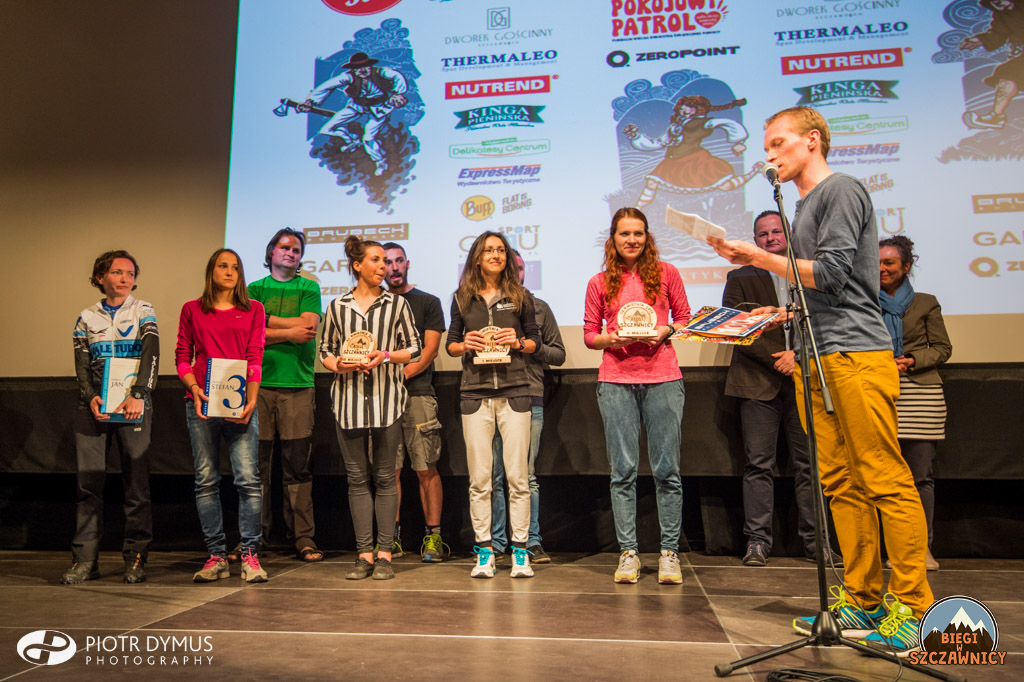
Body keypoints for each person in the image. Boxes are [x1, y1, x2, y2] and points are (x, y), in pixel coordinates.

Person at [709, 106, 933, 656]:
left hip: (856, 354)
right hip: (816, 357)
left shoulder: (841, 190)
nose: (770, 155)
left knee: (882, 477)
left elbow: (832, 275)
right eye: (766, 146)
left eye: (778, 143)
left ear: (812, 140)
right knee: (838, 482)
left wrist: (758, 256)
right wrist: (781, 314)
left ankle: (914, 608)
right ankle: (862, 596)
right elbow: (827, 289)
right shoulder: (805, 206)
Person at [723, 211, 839, 568]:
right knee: (758, 465)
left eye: (776, 231)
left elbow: (826, 321)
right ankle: (757, 541)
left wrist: (798, 356)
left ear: (789, 234)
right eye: (763, 234)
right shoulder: (740, 276)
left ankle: (817, 543)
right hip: (758, 382)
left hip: (806, 379)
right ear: (755, 240)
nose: (770, 238)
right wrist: (779, 359)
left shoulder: (808, 272)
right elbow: (736, 327)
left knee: (810, 465)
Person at [583, 207, 692, 585]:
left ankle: (669, 553)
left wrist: (665, 330)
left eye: (638, 233)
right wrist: (609, 340)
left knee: (667, 472)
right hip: (616, 381)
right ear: (613, 239)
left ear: (647, 237)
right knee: (623, 473)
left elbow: (685, 318)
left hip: (663, 379)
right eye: (624, 234)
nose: (632, 240)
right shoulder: (599, 281)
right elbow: (589, 335)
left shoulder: (667, 273)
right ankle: (628, 552)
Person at [320, 236, 421, 581]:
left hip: (386, 401)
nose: (384, 266)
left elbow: (415, 348)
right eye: (376, 260)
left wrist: (387, 356)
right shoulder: (337, 306)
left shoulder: (397, 304)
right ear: (357, 265)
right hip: (347, 401)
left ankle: (385, 554)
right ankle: (363, 554)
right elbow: (325, 350)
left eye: (386, 261)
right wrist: (339, 365)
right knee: (357, 479)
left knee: (386, 477)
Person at [446, 232, 542, 579]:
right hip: (475, 395)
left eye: (500, 250)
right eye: (489, 250)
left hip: (515, 393)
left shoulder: (521, 296)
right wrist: (465, 345)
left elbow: (534, 341)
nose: (496, 255)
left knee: (518, 478)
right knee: (480, 480)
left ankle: (520, 552)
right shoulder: (461, 298)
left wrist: (518, 342)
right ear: (477, 257)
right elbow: (451, 345)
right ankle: (484, 552)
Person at [62, 251, 158, 585]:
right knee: (88, 486)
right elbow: (81, 364)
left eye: (130, 273)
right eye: (117, 272)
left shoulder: (143, 310)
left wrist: (139, 394)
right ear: (101, 277)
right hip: (94, 407)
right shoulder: (86, 317)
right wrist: (90, 396)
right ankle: (85, 560)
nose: (125, 278)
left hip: (133, 405)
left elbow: (151, 354)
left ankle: (136, 558)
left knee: (136, 486)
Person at [176, 248, 267, 584]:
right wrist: (194, 388)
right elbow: (182, 356)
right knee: (205, 480)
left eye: (235, 267)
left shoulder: (254, 309)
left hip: (240, 404)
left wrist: (251, 400)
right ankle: (216, 555)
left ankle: (250, 556)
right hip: (201, 403)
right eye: (223, 266)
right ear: (211, 271)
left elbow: (255, 356)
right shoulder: (192, 309)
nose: (229, 272)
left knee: (248, 480)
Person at [248, 228, 322, 562]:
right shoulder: (253, 290)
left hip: (298, 386)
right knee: (257, 468)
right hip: (257, 386)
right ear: (271, 252)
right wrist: (289, 331)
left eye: (296, 250)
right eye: (285, 247)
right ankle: (254, 538)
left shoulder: (309, 287)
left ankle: (303, 538)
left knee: (297, 467)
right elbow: (249, 335)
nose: (291, 253)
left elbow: (308, 329)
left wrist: (267, 322)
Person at [879, 235, 952, 572]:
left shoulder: (925, 302)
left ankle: (921, 549)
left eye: (889, 262)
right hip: (878, 391)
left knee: (919, 477)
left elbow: (942, 348)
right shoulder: (863, 302)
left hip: (920, 395)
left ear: (906, 266)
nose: (882, 269)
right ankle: (890, 550)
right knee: (882, 479)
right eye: (877, 263)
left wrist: (910, 360)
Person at [490, 249, 565, 564]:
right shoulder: (483, 307)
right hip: (489, 396)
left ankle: (530, 541)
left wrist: (526, 345)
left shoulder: (539, 308)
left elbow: (559, 355)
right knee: (493, 476)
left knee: (525, 475)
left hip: (529, 396)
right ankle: (496, 543)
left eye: (520, 268)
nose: (515, 273)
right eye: (511, 267)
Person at [383, 242, 448, 562]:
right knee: (389, 472)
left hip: (418, 394)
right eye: (387, 262)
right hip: (382, 399)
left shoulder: (428, 302)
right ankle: (391, 539)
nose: (393, 267)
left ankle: (433, 537)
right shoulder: (375, 305)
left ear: (407, 264)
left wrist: (400, 376)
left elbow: (430, 351)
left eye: (398, 261)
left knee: (426, 468)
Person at [622, 95, 752, 207]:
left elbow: (727, 123)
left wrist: (738, 142)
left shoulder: (702, 123)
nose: (683, 111)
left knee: (725, 186)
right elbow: (658, 143)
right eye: (682, 109)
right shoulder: (675, 127)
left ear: (697, 110)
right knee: (652, 182)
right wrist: (636, 136)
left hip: (696, 160)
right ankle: (637, 209)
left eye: (688, 109)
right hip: (673, 161)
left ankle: (753, 173)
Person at [298, 51, 409, 176]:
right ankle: (350, 139)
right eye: (357, 68)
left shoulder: (380, 72)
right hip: (357, 106)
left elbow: (397, 76)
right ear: (353, 69)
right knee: (326, 129)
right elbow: (327, 86)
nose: (362, 70)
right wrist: (310, 102)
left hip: (379, 108)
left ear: (370, 66)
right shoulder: (348, 77)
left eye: (365, 67)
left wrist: (398, 93)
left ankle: (380, 162)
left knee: (368, 138)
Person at [958, 0, 1023, 130]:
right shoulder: (1001, 14)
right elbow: (998, 33)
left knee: (1007, 72)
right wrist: (981, 39)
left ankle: (996, 117)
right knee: (1007, 76)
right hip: (1019, 56)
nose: (998, 4)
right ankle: (996, 117)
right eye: (993, 2)